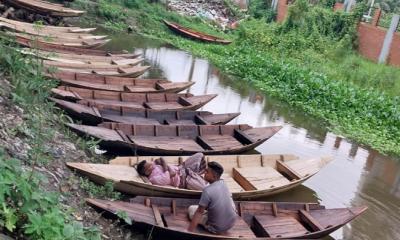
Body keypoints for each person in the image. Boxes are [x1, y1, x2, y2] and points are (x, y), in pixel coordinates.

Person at [187, 161, 237, 234]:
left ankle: (211, 227)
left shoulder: (207, 191)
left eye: (207, 172)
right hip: (231, 224)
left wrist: (189, 231)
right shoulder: (223, 183)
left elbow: (199, 212)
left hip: (216, 228)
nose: (204, 172)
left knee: (191, 209)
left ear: (213, 176)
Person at [136, 153, 207, 190]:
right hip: (185, 180)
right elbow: (168, 177)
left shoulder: (153, 166)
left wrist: (164, 165)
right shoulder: (154, 179)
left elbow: (158, 160)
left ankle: (197, 174)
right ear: (147, 172)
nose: (152, 164)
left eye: (150, 164)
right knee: (206, 188)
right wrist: (164, 163)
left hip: (182, 168)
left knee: (200, 155)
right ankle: (197, 176)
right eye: (150, 166)